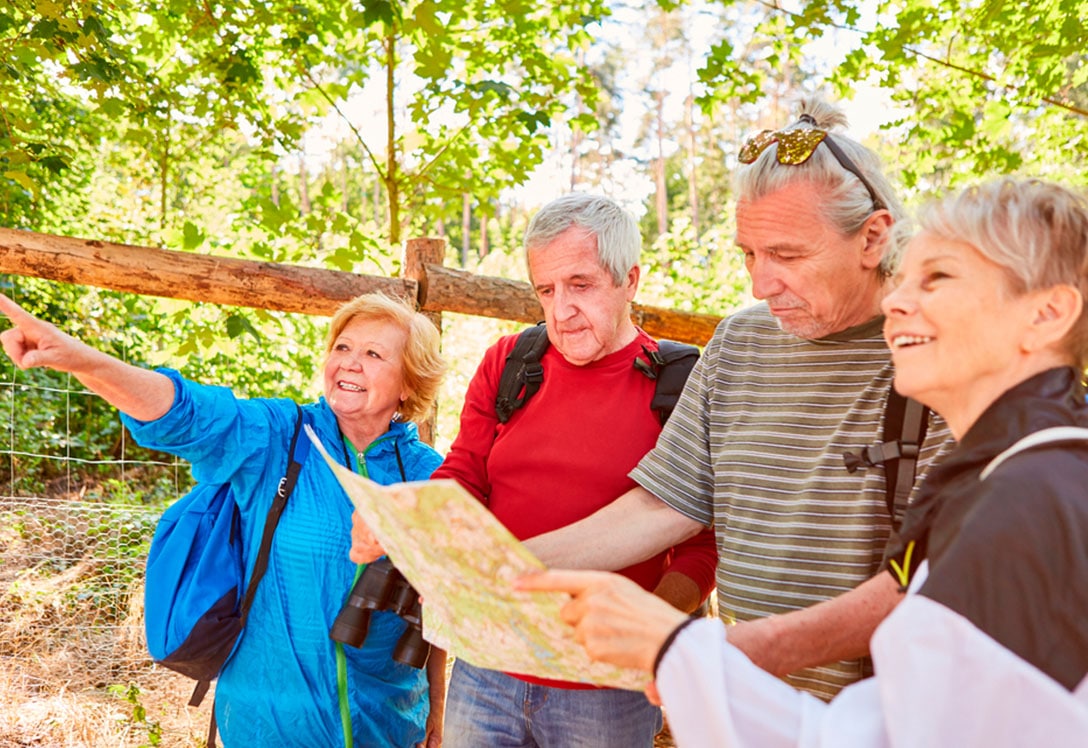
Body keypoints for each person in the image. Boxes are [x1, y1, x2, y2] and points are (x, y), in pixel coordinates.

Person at [519, 177, 1088, 746]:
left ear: (1047, 314)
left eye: (937, 278)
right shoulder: (1003, 478)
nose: (895, 300)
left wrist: (677, 647)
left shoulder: (1036, 504)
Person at [524, 95, 955, 700]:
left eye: (786, 254)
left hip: (883, 719)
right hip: (747, 707)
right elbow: (663, 508)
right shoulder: (741, 341)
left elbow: (930, 579)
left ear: (872, 238)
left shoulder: (941, 355)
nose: (759, 283)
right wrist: (501, 566)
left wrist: (723, 653)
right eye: (749, 254)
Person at [0, 292, 448, 748]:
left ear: (408, 383)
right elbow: (184, 412)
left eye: (373, 354)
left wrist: (438, 704)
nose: (350, 363)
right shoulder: (279, 436)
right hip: (268, 727)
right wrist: (80, 359)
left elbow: (441, 604)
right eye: (342, 347)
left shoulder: (430, 473)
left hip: (390, 726)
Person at [351, 193, 718, 747]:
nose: (560, 309)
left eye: (581, 284)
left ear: (630, 281)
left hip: (603, 687)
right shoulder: (511, 363)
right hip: (487, 665)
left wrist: (647, 636)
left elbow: (700, 540)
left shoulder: (677, 384)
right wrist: (410, 521)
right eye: (545, 290)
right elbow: (465, 474)